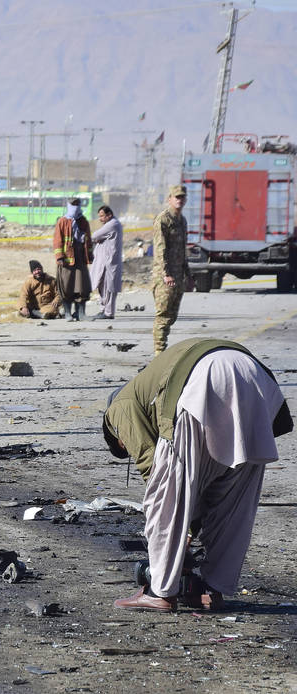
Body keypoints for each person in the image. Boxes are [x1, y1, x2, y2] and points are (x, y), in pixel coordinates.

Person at [103, 338, 291, 612]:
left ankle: (160, 591)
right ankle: (212, 589)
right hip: (256, 377)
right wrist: (191, 527)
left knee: (164, 498)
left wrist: (183, 533)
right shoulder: (149, 388)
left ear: (117, 438)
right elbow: (206, 486)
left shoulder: (117, 409)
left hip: (204, 379)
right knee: (233, 504)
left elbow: (152, 466)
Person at [153, 185, 191, 353]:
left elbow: (183, 250)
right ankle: (159, 353)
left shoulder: (182, 221)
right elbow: (160, 249)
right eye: (176, 197)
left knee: (171, 316)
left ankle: (162, 348)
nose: (179, 200)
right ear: (169, 199)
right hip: (165, 277)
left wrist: (188, 275)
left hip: (178, 275)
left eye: (182, 197)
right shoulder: (163, 219)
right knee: (163, 315)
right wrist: (166, 274)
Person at [53, 197, 94, 321]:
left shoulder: (83, 221)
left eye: (77, 205)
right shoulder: (62, 221)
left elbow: (89, 240)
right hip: (66, 260)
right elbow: (57, 241)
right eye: (73, 205)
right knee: (66, 287)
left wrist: (90, 256)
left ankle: (80, 314)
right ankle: (67, 313)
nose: (75, 207)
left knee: (81, 287)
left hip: (80, 259)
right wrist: (59, 257)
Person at [90, 205, 123, 320]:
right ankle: (104, 309)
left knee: (109, 287)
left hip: (110, 262)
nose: (100, 219)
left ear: (109, 215)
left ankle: (108, 312)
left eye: (102, 216)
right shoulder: (112, 224)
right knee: (103, 285)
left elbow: (94, 236)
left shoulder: (112, 224)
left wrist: (98, 238)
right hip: (105, 261)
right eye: (99, 216)